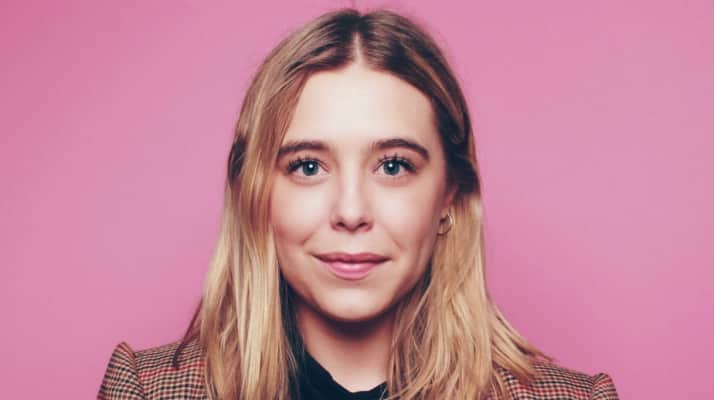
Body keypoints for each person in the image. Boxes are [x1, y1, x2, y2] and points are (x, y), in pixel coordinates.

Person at [98, 7, 619, 400]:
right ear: (255, 193)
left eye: (393, 166)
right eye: (308, 166)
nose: (350, 212)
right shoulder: (147, 390)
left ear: (450, 196)